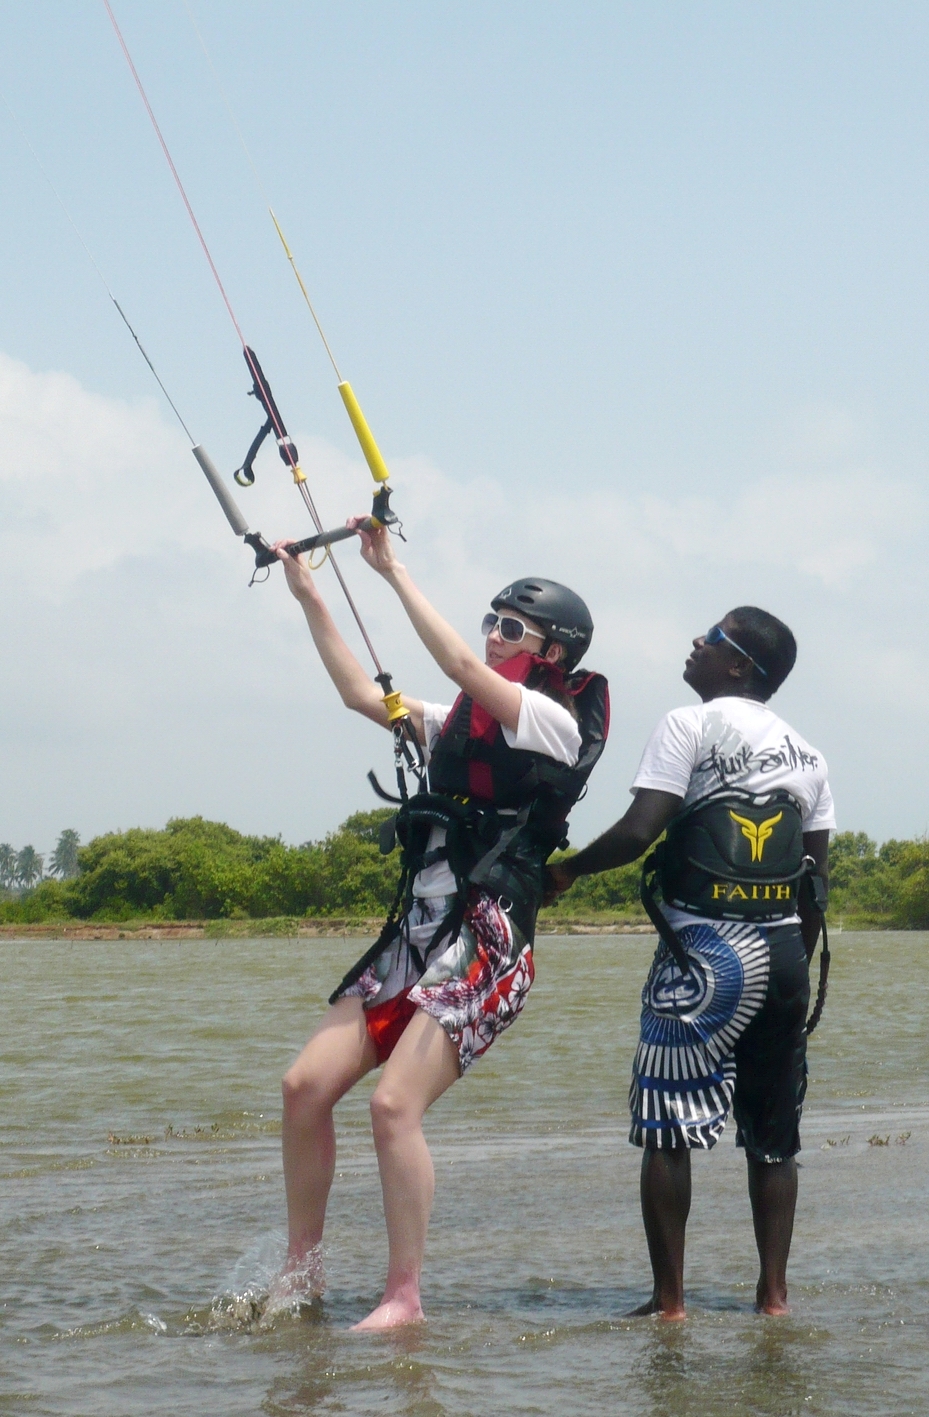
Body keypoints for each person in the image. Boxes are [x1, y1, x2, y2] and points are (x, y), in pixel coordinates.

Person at [273, 523, 608, 1330]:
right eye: (489, 620)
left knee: (393, 1107)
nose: (491, 634)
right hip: (419, 931)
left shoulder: (550, 721)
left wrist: (391, 570)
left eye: (510, 627)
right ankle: (301, 1271)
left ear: (551, 652)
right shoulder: (454, 718)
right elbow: (362, 695)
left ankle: (404, 1296)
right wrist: (310, 594)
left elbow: (460, 665)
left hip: (487, 941)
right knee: (303, 1087)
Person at [548, 607, 833, 1320]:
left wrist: (567, 870)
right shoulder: (809, 756)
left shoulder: (688, 724)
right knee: (773, 1139)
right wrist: (789, 969)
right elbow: (814, 886)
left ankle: (669, 1302)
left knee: (667, 1128)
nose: (696, 643)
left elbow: (640, 829)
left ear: (737, 665)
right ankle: (773, 1298)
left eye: (712, 638)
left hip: (703, 955)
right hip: (784, 959)